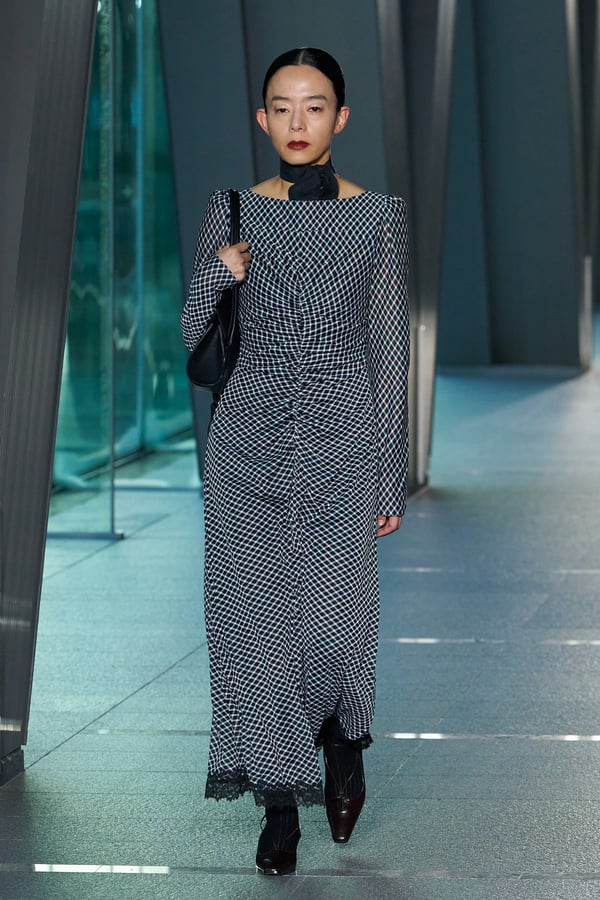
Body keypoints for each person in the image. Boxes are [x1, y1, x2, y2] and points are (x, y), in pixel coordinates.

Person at [181, 47, 410, 877]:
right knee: (257, 628)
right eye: (281, 107)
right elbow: (193, 335)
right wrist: (217, 274)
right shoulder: (233, 209)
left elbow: (389, 350)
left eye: (314, 106)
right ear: (262, 118)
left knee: (334, 622)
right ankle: (281, 807)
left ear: (340, 117)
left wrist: (391, 472)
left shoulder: (379, 217)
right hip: (247, 443)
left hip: (343, 439)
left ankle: (342, 739)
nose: (298, 122)